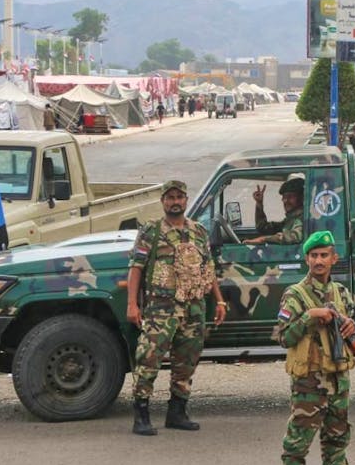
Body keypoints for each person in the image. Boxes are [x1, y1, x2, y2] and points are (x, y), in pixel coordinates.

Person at [275, 230, 355, 465]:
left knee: (337, 438)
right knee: (297, 443)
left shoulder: (341, 293)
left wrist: (351, 325)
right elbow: (282, 336)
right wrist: (309, 317)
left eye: (324, 255)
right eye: (314, 256)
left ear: (334, 259)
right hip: (309, 384)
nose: (319, 261)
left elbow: (351, 329)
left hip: (338, 378)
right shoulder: (294, 294)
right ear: (307, 258)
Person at [126, 180, 227, 436]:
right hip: (161, 309)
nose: (175, 202)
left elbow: (209, 269)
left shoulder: (199, 231)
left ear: (185, 199)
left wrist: (219, 300)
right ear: (163, 201)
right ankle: (141, 415)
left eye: (179, 197)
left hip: (194, 309)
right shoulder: (152, 231)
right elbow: (136, 267)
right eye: (170, 197)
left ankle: (177, 412)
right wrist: (132, 304)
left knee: (187, 361)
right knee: (148, 360)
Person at [243, 178, 304, 245]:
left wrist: (263, 239)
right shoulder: (291, 219)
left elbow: (294, 236)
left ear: (302, 198)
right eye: (284, 197)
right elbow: (263, 228)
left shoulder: (302, 218)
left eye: (290, 196)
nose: (285, 200)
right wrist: (259, 203)